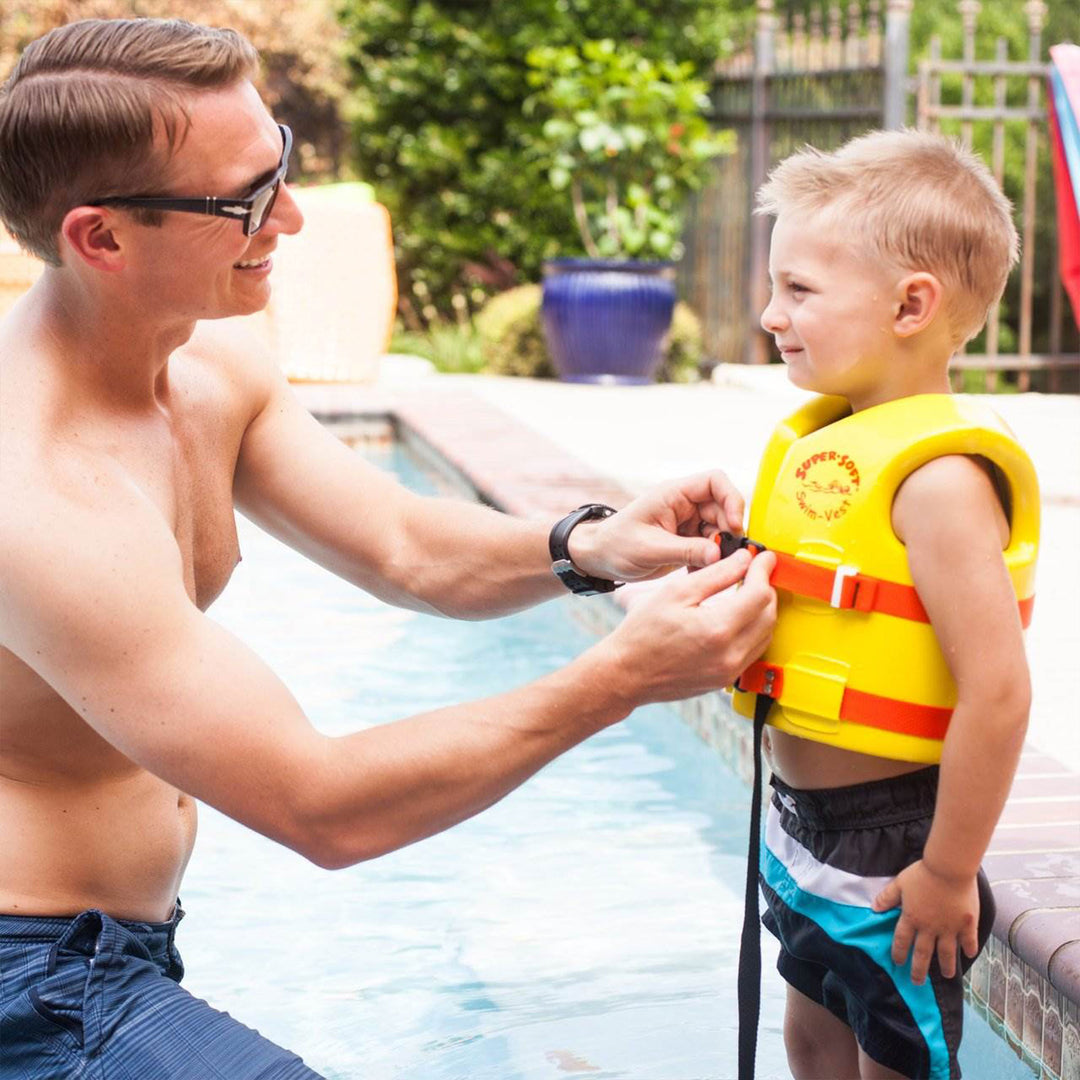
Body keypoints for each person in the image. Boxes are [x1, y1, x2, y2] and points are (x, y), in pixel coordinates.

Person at [0, 17, 777, 1078]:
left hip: (115, 952)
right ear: (101, 238)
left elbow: (404, 543)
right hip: (30, 981)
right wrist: (622, 680)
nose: (295, 215)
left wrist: (590, 544)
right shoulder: (35, 497)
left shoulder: (213, 362)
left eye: (279, 165)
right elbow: (319, 807)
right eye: (247, 201)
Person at [731, 129, 1038, 1080]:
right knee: (810, 1036)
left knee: (893, 1060)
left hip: (895, 832)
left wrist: (948, 873)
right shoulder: (832, 444)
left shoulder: (940, 481)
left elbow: (998, 693)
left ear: (912, 304)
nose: (771, 312)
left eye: (800, 290)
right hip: (799, 817)